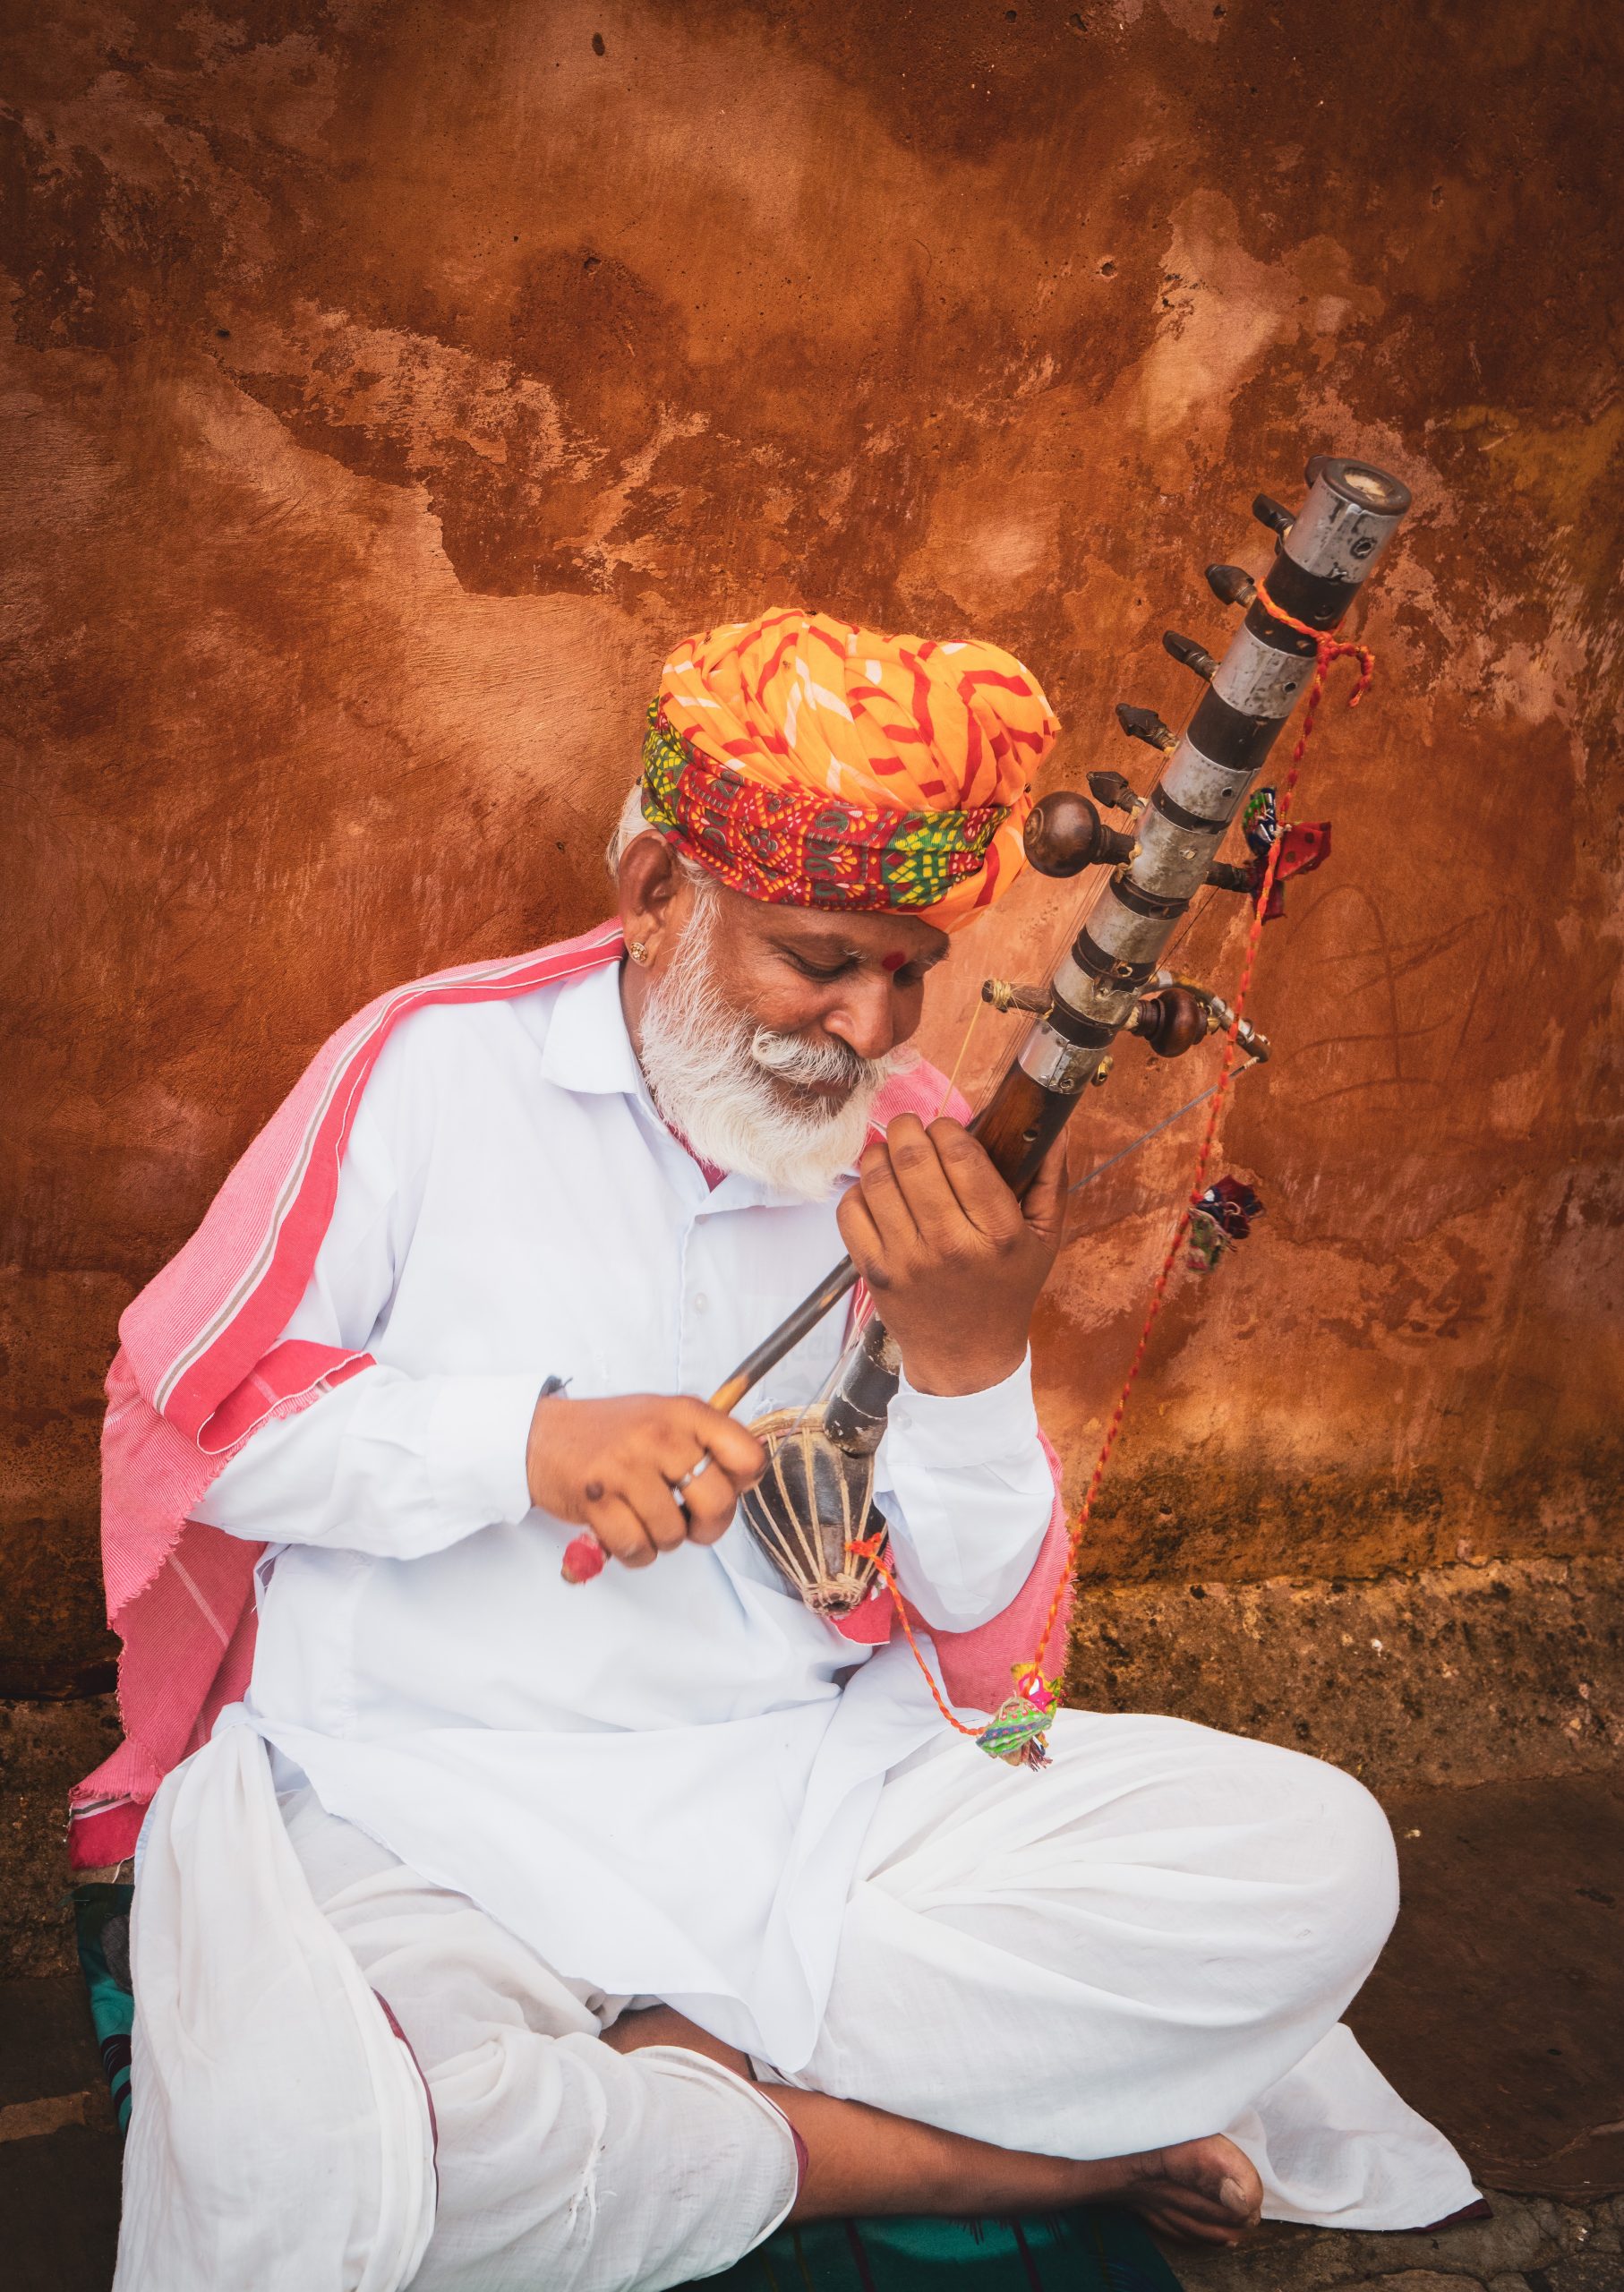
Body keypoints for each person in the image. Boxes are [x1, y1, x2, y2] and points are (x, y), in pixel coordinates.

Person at [86, 612, 1479, 2292]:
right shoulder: (432, 1069)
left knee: (1312, 1858)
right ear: (656, 892)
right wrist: (522, 1443)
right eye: (820, 959)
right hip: (419, 1802)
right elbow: (195, 1431)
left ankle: (685, 2066)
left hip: (800, 1806)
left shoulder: (917, 1157)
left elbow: (997, 1671)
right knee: (359, 2163)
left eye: (911, 969)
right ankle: (1003, 2153)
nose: (873, 1028)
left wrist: (971, 1362)